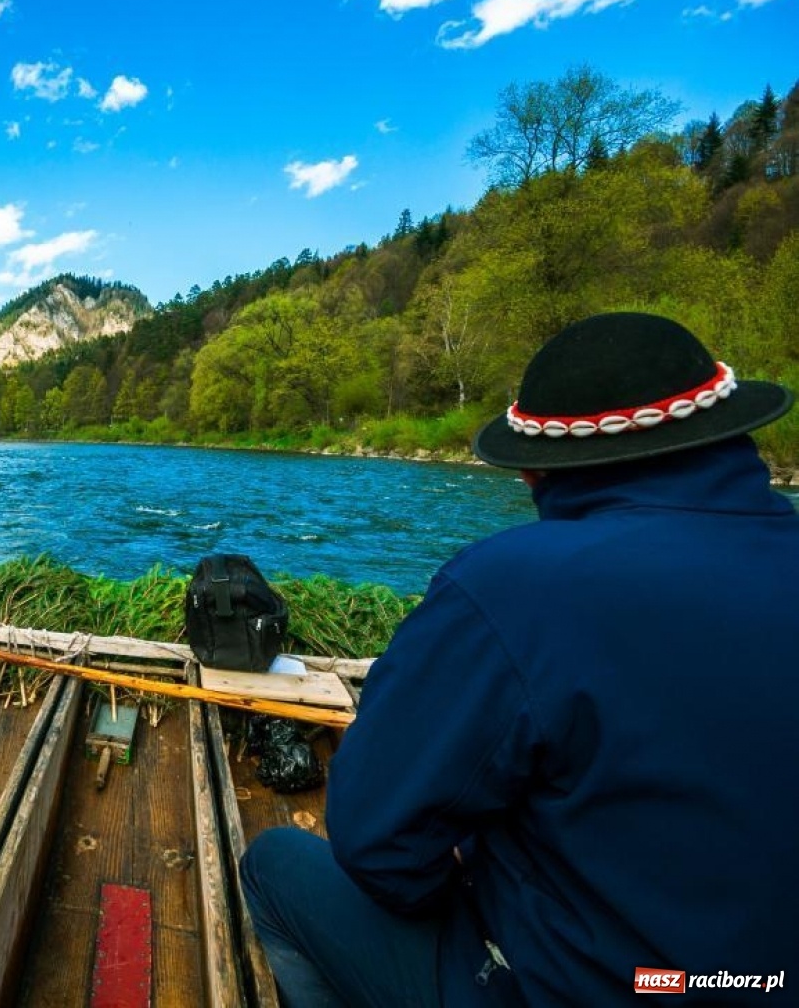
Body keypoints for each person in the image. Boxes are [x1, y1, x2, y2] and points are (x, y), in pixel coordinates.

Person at [240, 312, 798, 1006]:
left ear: (540, 468)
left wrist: (463, 890)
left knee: (273, 862)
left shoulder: (515, 586)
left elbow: (373, 841)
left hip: (569, 988)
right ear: (727, 432)